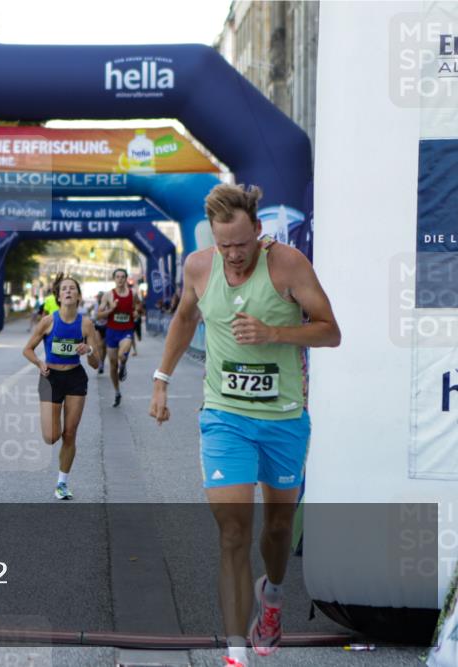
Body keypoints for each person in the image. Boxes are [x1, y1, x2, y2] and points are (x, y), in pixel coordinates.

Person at [148, 184, 341, 667]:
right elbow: (185, 320)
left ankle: (272, 596)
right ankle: (236, 654)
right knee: (233, 533)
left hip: (282, 420)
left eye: (241, 244)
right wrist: (160, 379)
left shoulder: (288, 265)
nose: (233, 255)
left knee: (277, 530)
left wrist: (274, 332)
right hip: (224, 418)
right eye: (224, 245)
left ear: (258, 230)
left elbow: (330, 331)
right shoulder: (199, 266)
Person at [23, 275, 100, 500]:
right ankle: (52, 435)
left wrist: (90, 352)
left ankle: (62, 483)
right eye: (64, 289)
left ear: (77, 296)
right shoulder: (48, 321)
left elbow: (96, 363)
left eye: (72, 289)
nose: (68, 292)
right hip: (50, 378)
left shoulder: (85, 324)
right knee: (52, 436)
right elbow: (27, 349)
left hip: (76, 378)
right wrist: (39, 362)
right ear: (58, 296)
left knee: (70, 433)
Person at [97, 268, 138, 407]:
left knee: (122, 355)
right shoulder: (108, 295)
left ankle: (124, 364)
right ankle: (117, 392)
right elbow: (99, 315)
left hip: (126, 330)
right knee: (113, 365)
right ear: (114, 279)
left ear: (126, 279)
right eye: (117, 277)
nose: (120, 279)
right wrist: (111, 309)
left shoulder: (133, 294)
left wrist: (136, 312)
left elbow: (137, 307)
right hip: (112, 332)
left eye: (122, 277)